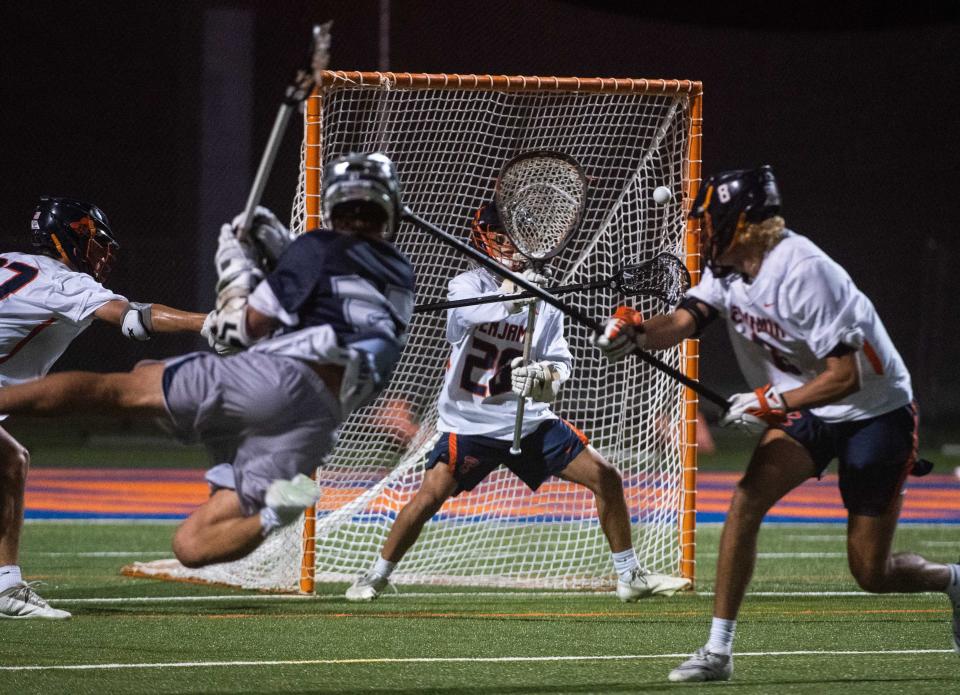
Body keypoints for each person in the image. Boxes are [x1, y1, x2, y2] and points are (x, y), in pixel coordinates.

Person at [595, 165, 960, 681]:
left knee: (870, 572)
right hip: (808, 406)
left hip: (874, 412)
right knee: (746, 500)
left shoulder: (805, 271)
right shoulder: (726, 268)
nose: (701, 229)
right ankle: (718, 652)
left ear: (742, 224)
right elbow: (683, 321)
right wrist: (634, 332)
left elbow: (845, 377)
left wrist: (775, 400)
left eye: (712, 219)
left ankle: (954, 580)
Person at [0, 153, 415, 595]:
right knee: (192, 545)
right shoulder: (401, 277)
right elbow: (336, 299)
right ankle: (277, 510)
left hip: (270, 379)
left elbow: (245, 327)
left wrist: (239, 270)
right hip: (317, 420)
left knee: (120, 388)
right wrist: (282, 252)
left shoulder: (316, 248)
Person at [345, 200, 691, 602]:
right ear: (484, 239)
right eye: (501, 239)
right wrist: (512, 296)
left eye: (517, 240)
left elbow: (561, 361)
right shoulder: (468, 286)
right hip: (469, 422)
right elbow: (462, 322)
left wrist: (545, 379)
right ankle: (375, 575)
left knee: (607, 477)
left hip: (529, 423)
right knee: (429, 497)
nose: (511, 247)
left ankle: (630, 575)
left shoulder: (544, 296)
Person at [0, 197, 207, 619]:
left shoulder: (11, 261)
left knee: (10, 461)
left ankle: (5, 586)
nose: (104, 253)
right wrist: (208, 322)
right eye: (96, 242)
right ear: (70, 237)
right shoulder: (60, 282)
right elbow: (134, 318)